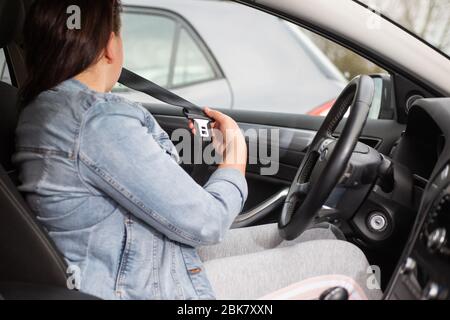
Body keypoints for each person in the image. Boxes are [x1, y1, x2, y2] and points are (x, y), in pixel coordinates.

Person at [13, 0, 381, 300]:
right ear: (110, 44)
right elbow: (207, 221)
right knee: (347, 260)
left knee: (321, 235)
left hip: (142, 263)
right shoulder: (94, 119)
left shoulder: (46, 110)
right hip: (143, 288)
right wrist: (234, 159)